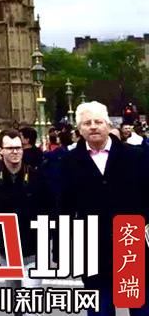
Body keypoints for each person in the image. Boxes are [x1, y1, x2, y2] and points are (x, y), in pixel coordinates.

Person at [58, 101, 149, 316]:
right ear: (79, 129)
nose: (93, 126)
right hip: (91, 248)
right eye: (87, 123)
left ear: (108, 124)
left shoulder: (136, 156)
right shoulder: (67, 162)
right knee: (100, 310)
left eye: (98, 121)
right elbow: (63, 207)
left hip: (129, 243)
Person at [0, 129, 46, 290]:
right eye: (10, 148)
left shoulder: (37, 177)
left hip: (33, 246)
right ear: (1, 150)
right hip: (5, 247)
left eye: (18, 147)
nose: (15, 152)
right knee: (14, 294)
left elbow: (50, 208)